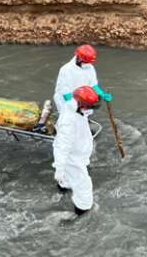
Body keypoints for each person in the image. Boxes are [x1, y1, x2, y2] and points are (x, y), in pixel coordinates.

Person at [53, 86, 101, 216]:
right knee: (83, 186)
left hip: (78, 153)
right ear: (81, 105)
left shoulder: (77, 109)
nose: (90, 109)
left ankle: (63, 188)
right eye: (89, 106)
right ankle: (83, 212)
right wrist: (60, 168)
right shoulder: (68, 122)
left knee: (68, 179)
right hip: (73, 158)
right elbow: (62, 147)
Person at [52, 44, 113, 116]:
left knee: (83, 118)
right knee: (69, 117)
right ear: (79, 58)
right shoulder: (66, 70)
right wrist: (76, 108)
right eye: (86, 62)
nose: (88, 64)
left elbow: (93, 85)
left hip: (82, 99)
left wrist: (102, 94)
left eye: (89, 62)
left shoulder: (90, 68)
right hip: (66, 100)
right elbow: (66, 93)